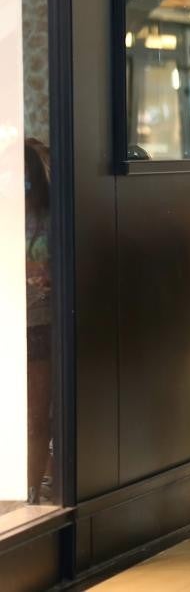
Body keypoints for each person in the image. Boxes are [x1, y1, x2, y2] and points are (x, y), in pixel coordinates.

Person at [25, 139, 53, 505]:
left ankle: (33, 487)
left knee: (38, 410)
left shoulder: (51, 216)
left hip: (44, 322)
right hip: (17, 318)